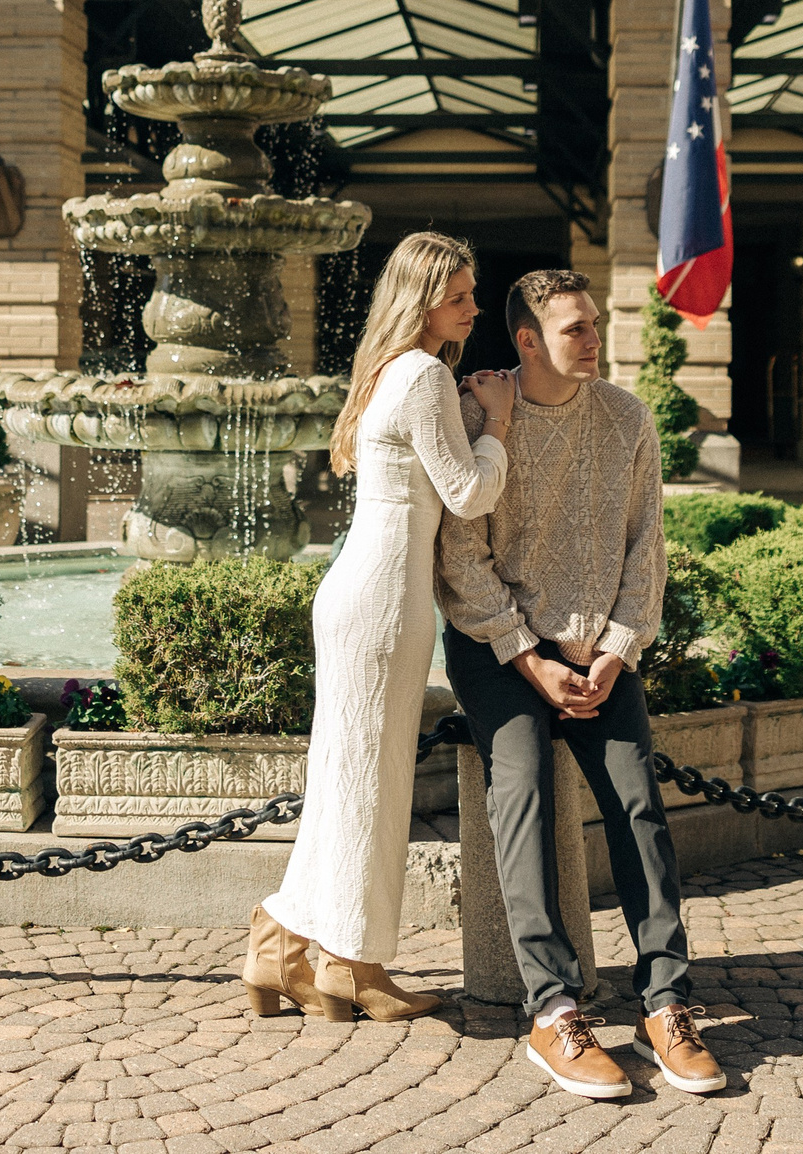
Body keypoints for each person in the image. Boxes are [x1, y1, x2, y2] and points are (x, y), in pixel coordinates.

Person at [436, 269, 726, 1099]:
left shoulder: (628, 419)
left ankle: (666, 1001)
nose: (593, 339)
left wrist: (618, 650)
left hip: (600, 652)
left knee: (637, 801)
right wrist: (530, 657)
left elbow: (647, 547)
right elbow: (461, 557)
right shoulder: (479, 417)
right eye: (574, 329)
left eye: (594, 324)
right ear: (527, 341)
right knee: (521, 792)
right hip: (499, 651)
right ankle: (553, 1010)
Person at [243, 232, 516, 1022]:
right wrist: (495, 420)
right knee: (370, 781)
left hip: (362, 589)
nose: (473, 307)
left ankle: (280, 943)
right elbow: (467, 493)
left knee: (345, 777)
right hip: (386, 599)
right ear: (425, 299)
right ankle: (350, 964)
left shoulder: (392, 370)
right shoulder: (426, 372)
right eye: (461, 295)